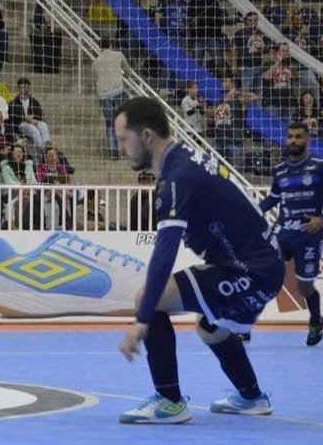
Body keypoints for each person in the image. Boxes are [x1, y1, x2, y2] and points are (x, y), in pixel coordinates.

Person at [114, 97, 283, 424]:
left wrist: (142, 318)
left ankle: (169, 400)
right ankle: (252, 398)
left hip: (251, 271)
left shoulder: (177, 178)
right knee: (210, 328)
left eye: (124, 139)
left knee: (149, 297)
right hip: (264, 267)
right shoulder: (184, 161)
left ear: (147, 136)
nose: (120, 148)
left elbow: (165, 251)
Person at [257, 122, 323, 346]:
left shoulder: (321, 166)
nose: (293, 141)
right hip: (282, 235)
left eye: (298, 137)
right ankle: (244, 325)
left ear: (308, 139)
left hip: (308, 236)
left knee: (304, 287)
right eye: (290, 137)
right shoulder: (279, 170)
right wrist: (251, 212)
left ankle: (316, 321)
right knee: (265, 278)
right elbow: (273, 199)